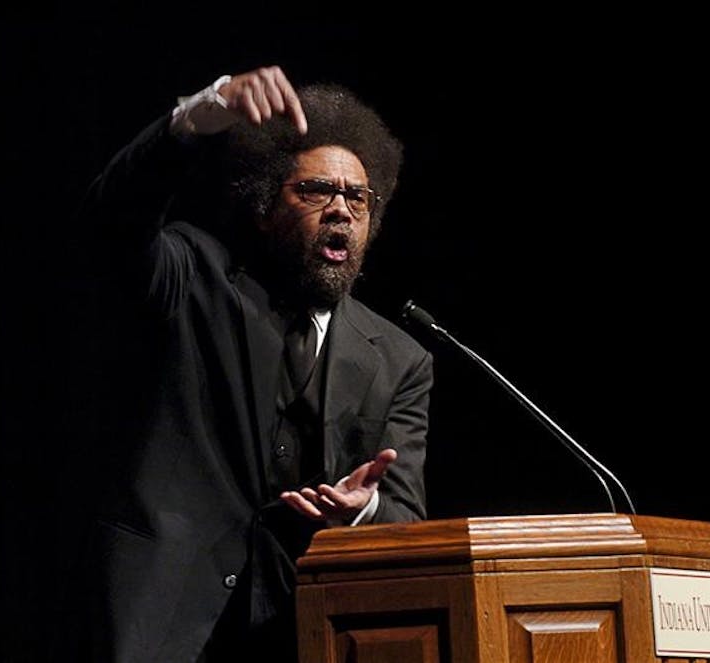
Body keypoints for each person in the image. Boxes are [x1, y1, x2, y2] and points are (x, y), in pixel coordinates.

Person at [59, 66, 433, 662]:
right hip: (160, 617)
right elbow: (113, 219)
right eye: (316, 191)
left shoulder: (400, 358)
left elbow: (404, 511)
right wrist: (193, 119)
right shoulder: (193, 280)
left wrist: (362, 509)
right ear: (264, 205)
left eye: (357, 197)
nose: (340, 209)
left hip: (302, 629)